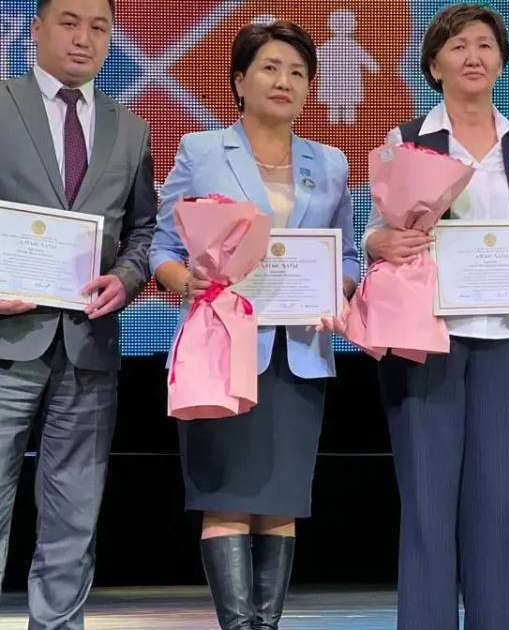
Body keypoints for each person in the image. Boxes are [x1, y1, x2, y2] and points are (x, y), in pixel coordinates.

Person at [148, 20, 359, 630]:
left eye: (297, 72)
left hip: (300, 354)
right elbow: (164, 242)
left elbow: (346, 256)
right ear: (239, 80)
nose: (283, 81)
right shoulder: (202, 150)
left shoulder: (332, 163)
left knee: (281, 503)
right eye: (269, 67)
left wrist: (336, 288)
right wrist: (182, 281)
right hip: (221, 351)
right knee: (227, 501)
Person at [362, 4, 509, 628]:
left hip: (506, 341)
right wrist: (374, 244)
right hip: (428, 342)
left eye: (486, 46)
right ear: (434, 63)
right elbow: (373, 231)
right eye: (459, 45)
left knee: (501, 506)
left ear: (501, 61)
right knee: (429, 506)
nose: (474, 56)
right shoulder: (407, 140)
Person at [0, 0, 156, 626]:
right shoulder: (3, 104)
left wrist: (125, 277)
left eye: (99, 27)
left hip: (89, 348)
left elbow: (144, 230)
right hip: (7, 341)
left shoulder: (131, 128)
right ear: (34, 29)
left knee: (73, 518)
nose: (84, 38)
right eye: (69, 22)